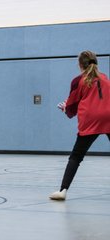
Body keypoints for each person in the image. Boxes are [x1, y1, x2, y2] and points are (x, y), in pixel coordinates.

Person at [50, 50, 110, 200]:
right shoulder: (104, 77)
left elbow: (72, 103)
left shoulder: (78, 80)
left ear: (79, 64)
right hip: (109, 116)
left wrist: (66, 108)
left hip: (91, 119)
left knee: (76, 156)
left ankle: (63, 190)